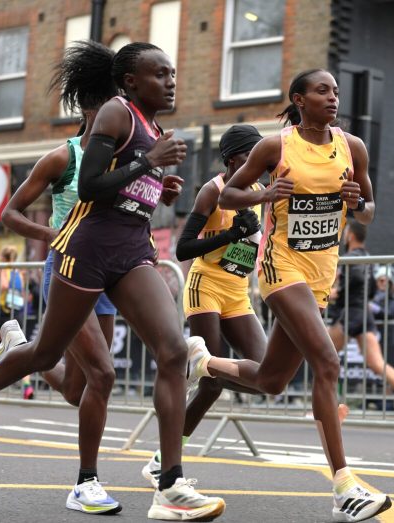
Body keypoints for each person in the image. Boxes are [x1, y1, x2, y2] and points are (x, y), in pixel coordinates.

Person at [0, 42, 225, 521]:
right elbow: (91, 187)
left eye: (173, 73)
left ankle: (170, 485)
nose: (171, 81)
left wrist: (156, 186)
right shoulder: (116, 113)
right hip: (84, 253)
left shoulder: (153, 128)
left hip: (133, 253)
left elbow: (126, 194)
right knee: (52, 356)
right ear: (131, 82)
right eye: (161, 74)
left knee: (173, 351)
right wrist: (149, 163)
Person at [184, 69, 392, 522]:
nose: (332, 97)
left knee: (273, 381)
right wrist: (265, 195)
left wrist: (358, 203)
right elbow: (229, 195)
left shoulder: (352, 147)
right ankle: (344, 487)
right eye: (322, 91)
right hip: (281, 268)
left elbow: (371, 213)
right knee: (328, 363)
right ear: (299, 99)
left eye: (335, 91)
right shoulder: (275, 146)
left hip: (321, 275)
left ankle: (205, 363)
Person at [0, 40, 122, 515]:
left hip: (110, 277)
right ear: (95, 107)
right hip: (67, 270)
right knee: (104, 375)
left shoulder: (125, 154)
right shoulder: (63, 157)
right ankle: (85, 482)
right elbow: (10, 212)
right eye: (115, 103)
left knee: (79, 387)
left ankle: (18, 348)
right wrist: (52, 232)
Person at [140, 124, 268, 486]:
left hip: (237, 291)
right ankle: (164, 462)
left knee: (267, 378)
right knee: (210, 385)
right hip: (205, 287)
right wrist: (230, 234)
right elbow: (183, 248)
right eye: (249, 158)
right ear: (232, 160)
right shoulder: (211, 192)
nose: (256, 166)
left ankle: (163, 456)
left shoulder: (258, 191)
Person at [327, 220, 394, 421]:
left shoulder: (351, 258)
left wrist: (336, 294)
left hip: (351, 313)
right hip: (364, 314)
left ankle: (325, 408)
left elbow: (354, 282)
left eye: (345, 233)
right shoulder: (370, 258)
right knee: (377, 363)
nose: (344, 236)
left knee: (322, 355)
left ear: (350, 235)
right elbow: (371, 289)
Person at [0, 245, 34, 399]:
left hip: (3, 312)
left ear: (3, 257)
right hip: (17, 312)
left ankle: (4, 362)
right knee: (17, 350)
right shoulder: (18, 273)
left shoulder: (2, 269)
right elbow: (22, 293)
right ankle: (27, 386)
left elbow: (3, 286)